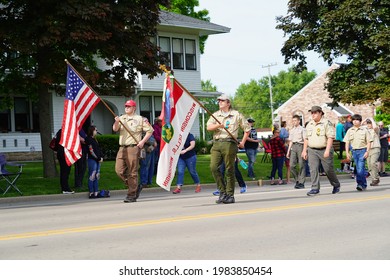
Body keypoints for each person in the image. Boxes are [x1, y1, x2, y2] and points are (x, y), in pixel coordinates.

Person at [206, 94, 250, 204]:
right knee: (213, 167)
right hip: (217, 143)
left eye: (222, 100)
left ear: (228, 103)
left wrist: (243, 142)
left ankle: (230, 195)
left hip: (230, 143)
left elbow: (247, 129)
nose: (220, 102)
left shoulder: (236, 115)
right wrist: (218, 126)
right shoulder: (216, 115)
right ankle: (222, 192)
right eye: (219, 101)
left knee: (229, 169)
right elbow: (208, 127)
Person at [113, 100, 153, 203]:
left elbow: (150, 130)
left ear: (134, 108)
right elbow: (115, 129)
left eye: (129, 106)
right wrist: (116, 122)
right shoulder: (122, 118)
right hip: (122, 147)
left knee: (132, 172)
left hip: (133, 147)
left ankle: (131, 195)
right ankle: (134, 186)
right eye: (126, 106)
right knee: (118, 170)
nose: (126, 108)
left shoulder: (140, 119)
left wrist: (142, 142)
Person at [302, 105, 341, 196]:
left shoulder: (326, 123)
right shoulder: (309, 124)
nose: (313, 114)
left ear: (320, 113)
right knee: (313, 169)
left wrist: (327, 150)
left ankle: (336, 184)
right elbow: (306, 138)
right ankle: (315, 188)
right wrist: (304, 151)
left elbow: (330, 137)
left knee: (328, 169)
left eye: (315, 112)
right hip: (312, 150)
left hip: (324, 149)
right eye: (312, 113)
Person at [343, 114, 371, 191]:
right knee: (359, 168)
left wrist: (367, 151)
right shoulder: (350, 130)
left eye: (357, 120)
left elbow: (369, 142)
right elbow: (347, 142)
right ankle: (364, 184)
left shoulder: (365, 130)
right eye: (353, 120)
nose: (355, 121)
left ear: (360, 121)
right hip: (354, 151)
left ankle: (360, 184)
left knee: (360, 168)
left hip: (362, 150)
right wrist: (347, 153)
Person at [286, 114, 306, 189]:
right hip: (293, 147)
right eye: (293, 121)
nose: (294, 122)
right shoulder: (292, 130)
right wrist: (288, 152)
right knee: (291, 165)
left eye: (295, 120)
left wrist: (304, 150)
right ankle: (297, 179)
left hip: (300, 146)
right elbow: (290, 141)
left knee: (301, 164)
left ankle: (301, 182)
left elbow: (305, 140)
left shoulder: (302, 129)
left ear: (299, 121)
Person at [85, 126, 104, 198]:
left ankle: (96, 192)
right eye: (95, 130)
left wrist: (101, 156)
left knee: (97, 176)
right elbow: (91, 151)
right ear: (92, 131)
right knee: (92, 175)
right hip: (92, 159)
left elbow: (98, 149)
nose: (96, 131)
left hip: (98, 159)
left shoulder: (95, 140)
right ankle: (91, 192)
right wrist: (98, 158)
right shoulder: (88, 139)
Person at [55, 129, 74, 194]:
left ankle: (64, 187)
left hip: (60, 153)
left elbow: (57, 142)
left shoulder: (60, 131)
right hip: (65, 153)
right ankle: (65, 188)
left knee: (63, 171)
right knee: (65, 171)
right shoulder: (66, 132)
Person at [364, 118, 380, 186]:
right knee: (369, 165)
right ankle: (374, 177)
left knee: (373, 162)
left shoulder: (376, 130)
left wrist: (371, 119)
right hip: (368, 149)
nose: (368, 125)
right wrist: (365, 119)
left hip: (375, 148)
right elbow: (360, 125)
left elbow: (375, 127)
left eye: (370, 123)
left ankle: (375, 179)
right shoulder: (365, 130)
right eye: (367, 123)